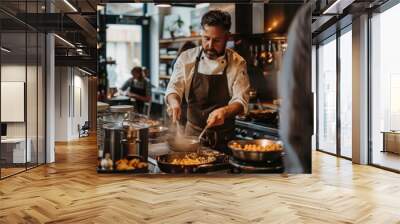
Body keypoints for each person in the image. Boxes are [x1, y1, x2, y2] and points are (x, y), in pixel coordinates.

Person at [165, 10, 250, 153]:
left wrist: (225, 111)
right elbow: (174, 88)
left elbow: (241, 101)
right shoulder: (187, 58)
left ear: (227, 37)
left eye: (216, 40)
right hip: (191, 138)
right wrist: (174, 102)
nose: (209, 45)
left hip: (224, 141)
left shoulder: (237, 63)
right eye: (206, 38)